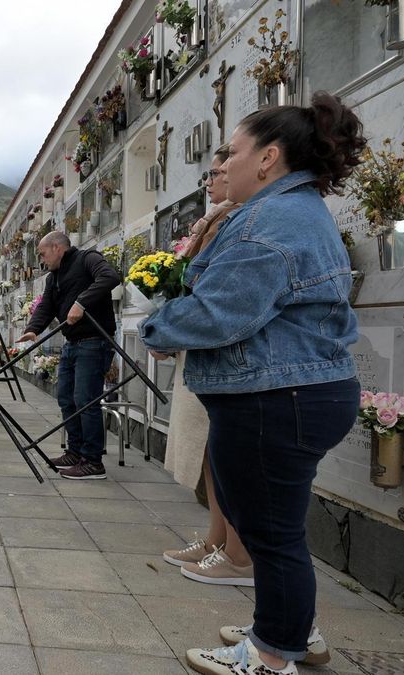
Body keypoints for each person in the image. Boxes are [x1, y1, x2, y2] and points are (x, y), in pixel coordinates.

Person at [141, 92, 365, 675]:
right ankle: (293, 632)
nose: (223, 163)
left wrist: (158, 328)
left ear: (268, 158)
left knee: (268, 530)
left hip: (275, 398)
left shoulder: (270, 220)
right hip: (296, 391)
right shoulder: (294, 211)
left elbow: (222, 310)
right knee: (276, 527)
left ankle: (269, 656)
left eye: (232, 152)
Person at [160, 146, 255, 587]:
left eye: (215, 173)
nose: (210, 182)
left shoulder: (239, 219)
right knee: (211, 456)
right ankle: (218, 540)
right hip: (200, 349)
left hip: (221, 353)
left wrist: (173, 328)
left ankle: (237, 552)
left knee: (224, 455)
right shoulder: (214, 219)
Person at [18, 231, 121, 480]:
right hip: (72, 343)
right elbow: (46, 306)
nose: (42, 260)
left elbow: (110, 277)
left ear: (57, 248)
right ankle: (75, 452)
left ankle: (93, 461)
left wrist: (81, 303)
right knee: (66, 398)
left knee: (86, 400)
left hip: (94, 342)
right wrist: (33, 329)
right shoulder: (52, 277)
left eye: (43, 254)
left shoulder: (87, 259)